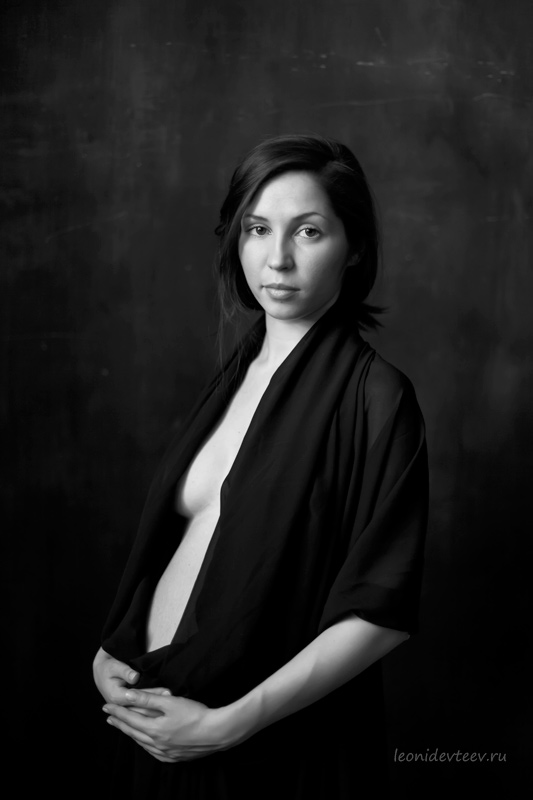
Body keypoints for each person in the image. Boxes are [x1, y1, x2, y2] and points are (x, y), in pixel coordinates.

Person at [93, 133, 429, 799]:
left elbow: (381, 611)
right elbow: (178, 543)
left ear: (353, 247)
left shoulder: (378, 398)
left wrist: (227, 725)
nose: (277, 258)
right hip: (154, 719)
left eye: (308, 231)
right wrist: (110, 651)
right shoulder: (236, 375)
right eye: (257, 229)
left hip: (264, 745)